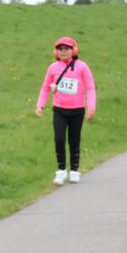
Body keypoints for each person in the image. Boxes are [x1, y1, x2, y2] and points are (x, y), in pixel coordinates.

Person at [35, 37, 97, 183]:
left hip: (77, 110)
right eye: (60, 49)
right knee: (59, 139)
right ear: (56, 52)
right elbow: (45, 88)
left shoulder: (82, 67)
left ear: (74, 50)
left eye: (67, 48)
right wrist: (40, 104)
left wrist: (91, 106)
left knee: (74, 140)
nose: (63, 52)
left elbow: (90, 87)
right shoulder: (53, 68)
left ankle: (74, 170)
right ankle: (61, 170)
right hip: (59, 110)